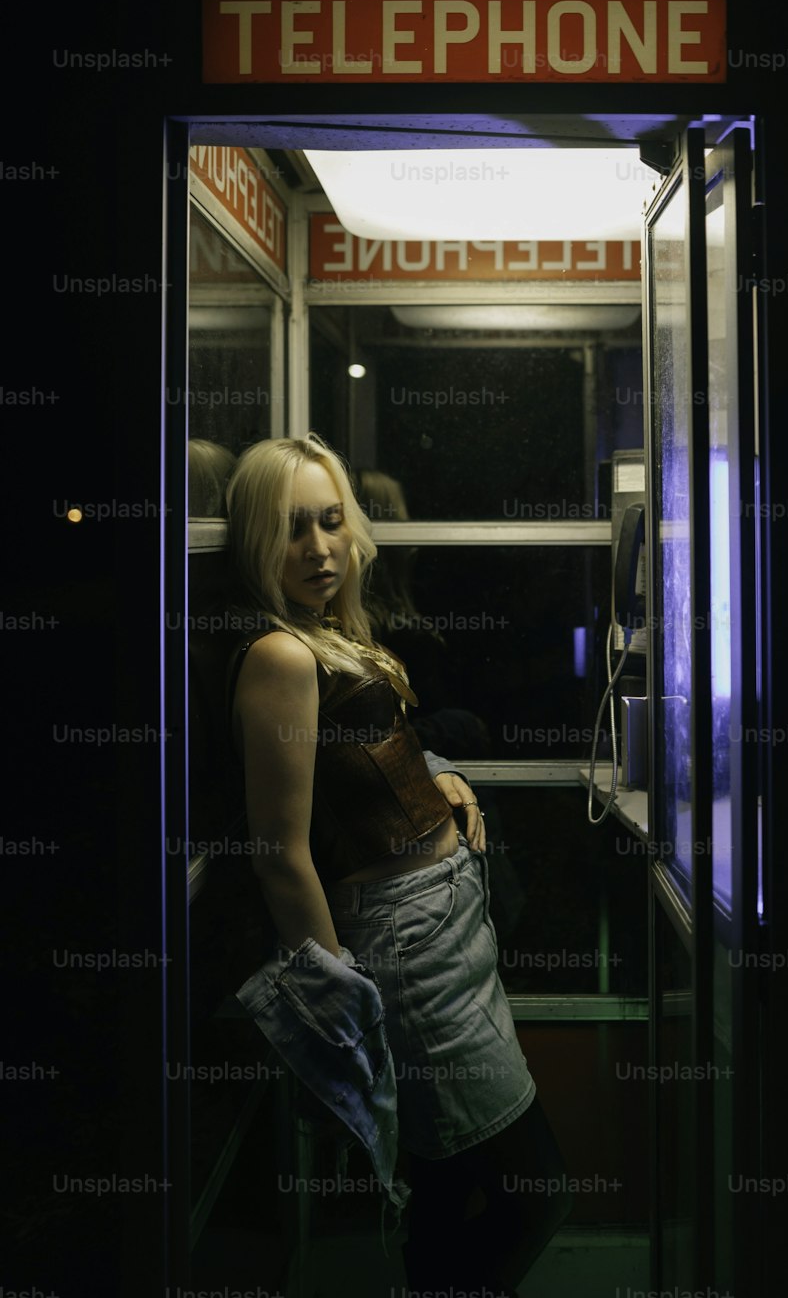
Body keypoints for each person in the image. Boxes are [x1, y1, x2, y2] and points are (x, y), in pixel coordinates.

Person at [225, 433, 571, 1297]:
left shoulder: (332, 633)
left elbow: (368, 759)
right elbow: (280, 852)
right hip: (406, 953)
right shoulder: (280, 654)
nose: (318, 547)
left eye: (331, 521)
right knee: (536, 1195)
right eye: (292, 528)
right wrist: (339, 999)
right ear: (258, 541)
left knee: (449, 1188)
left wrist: (442, 776)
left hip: (448, 926)